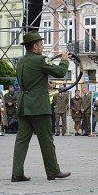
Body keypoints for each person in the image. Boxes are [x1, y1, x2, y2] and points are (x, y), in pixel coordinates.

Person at [11, 31, 71, 182]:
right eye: (41, 44)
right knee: (46, 140)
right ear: (35, 46)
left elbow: (30, 81)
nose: (43, 47)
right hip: (38, 106)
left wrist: (43, 82)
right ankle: (53, 171)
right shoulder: (40, 60)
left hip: (24, 104)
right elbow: (60, 72)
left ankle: (17, 173)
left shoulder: (21, 61)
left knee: (21, 140)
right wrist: (64, 60)